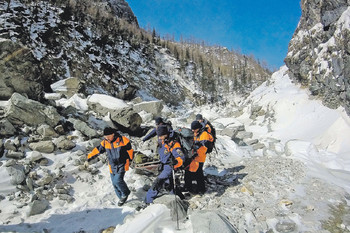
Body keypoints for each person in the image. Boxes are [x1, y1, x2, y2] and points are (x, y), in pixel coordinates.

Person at [87, 127, 134, 206]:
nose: (106, 138)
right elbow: (97, 150)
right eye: (105, 137)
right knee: (114, 184)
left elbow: (130, 150)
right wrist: (88, 158)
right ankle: (122, 199)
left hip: (122, 164)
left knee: (117, 181)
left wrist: (130, 160)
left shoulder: (123, 140)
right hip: (112, 166)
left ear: (113, 134)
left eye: (108, 136)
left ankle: (125, 193)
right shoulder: (105, 143)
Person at [145, 125, 184, 204]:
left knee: (157, 183)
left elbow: (181, 158)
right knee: (168, 184)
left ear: (165, 134)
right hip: (163, 164)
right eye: (158, 136)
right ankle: (179, 197)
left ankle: (148, 201)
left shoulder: (173, 143)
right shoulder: (163, 140)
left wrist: (175, 163)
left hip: (169, 166)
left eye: (161, 136)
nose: (159, 138)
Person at [184, 120, 214, 194]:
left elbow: (204, 144)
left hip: (200, 156)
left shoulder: (204, 134)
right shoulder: (196, 133)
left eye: (194, 129)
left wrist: (196, 145)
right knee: (193, 172)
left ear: (198, 128)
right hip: (195, 156)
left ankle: (201, 188)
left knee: (198, 173)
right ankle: (194, 187)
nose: (193, 130)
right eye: (192, 129)